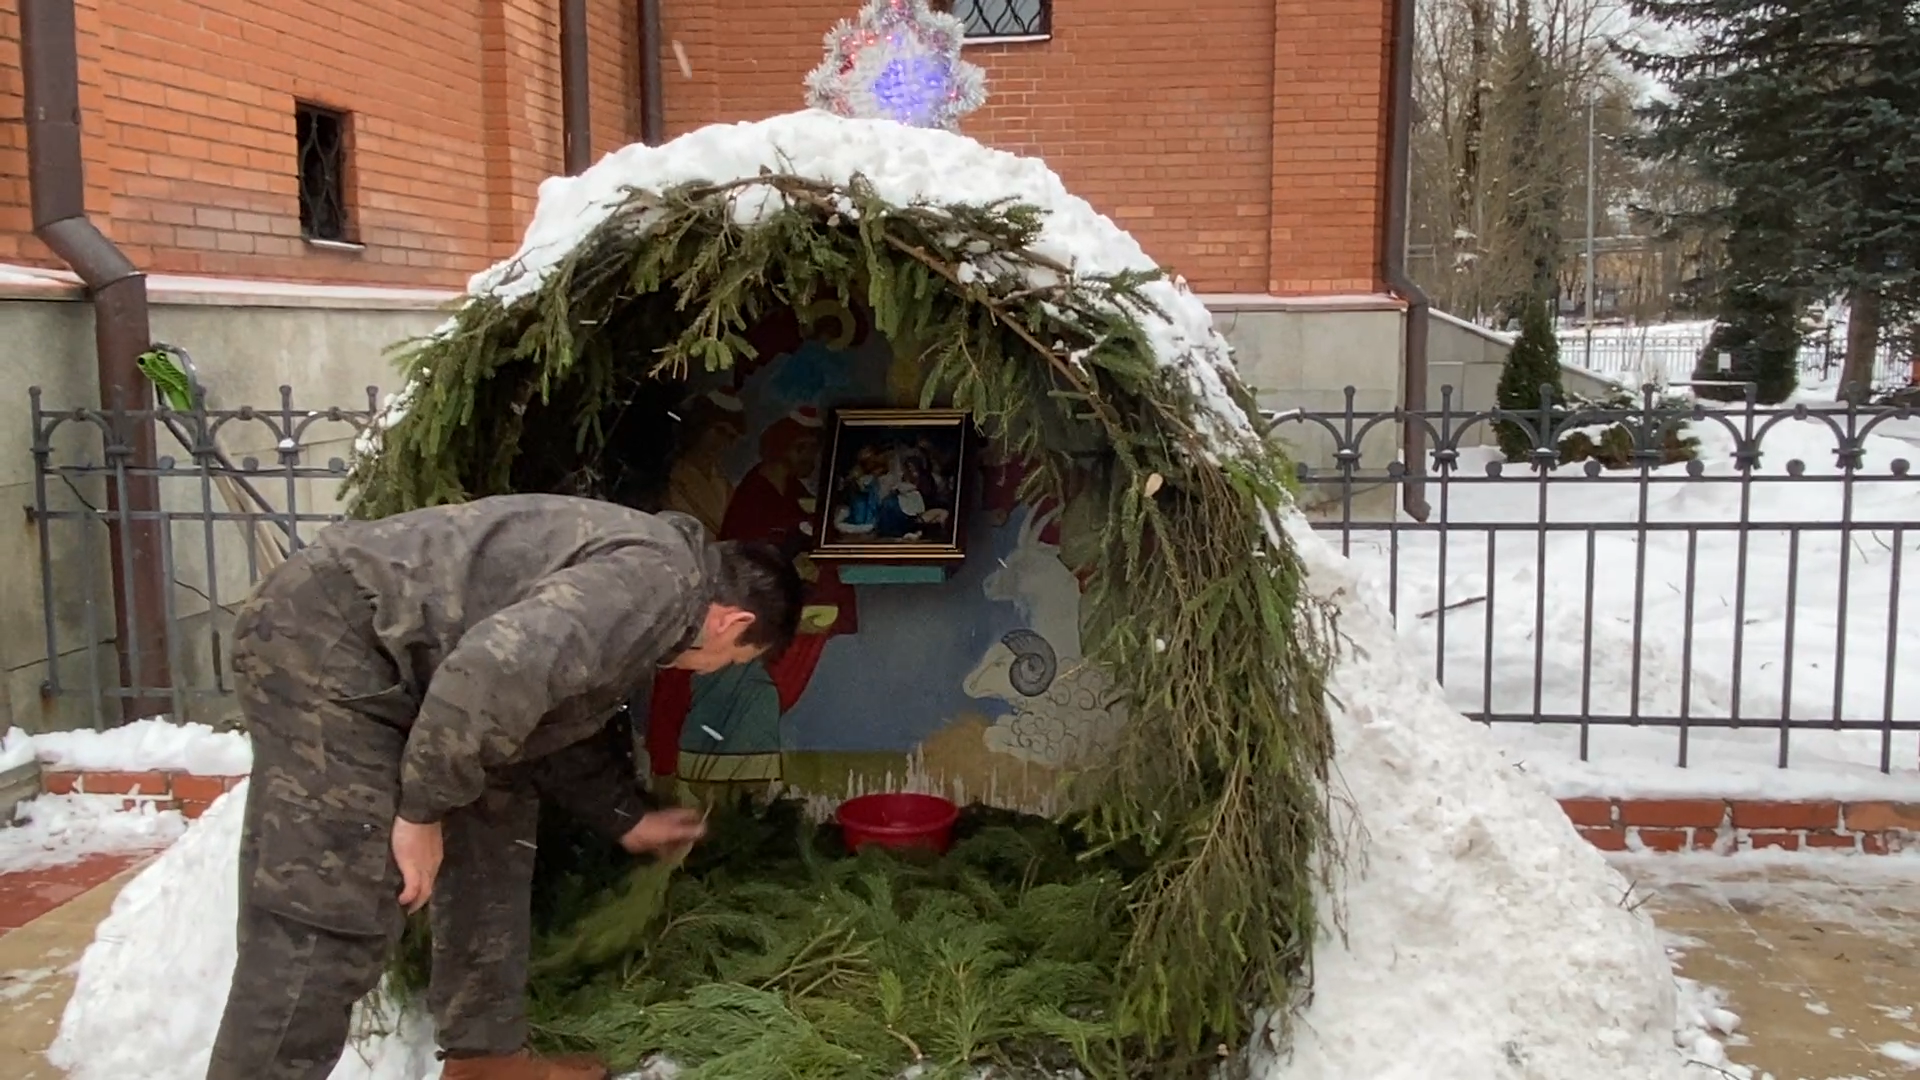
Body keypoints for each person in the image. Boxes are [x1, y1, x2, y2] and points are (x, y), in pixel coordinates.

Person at [206, 493, 802, 1080]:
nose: (717, 668)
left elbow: (548, 717)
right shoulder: (657, 585)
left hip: (399, 659)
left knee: (497, 822)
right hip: (334, 640)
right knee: (333, 899)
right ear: (734, 621)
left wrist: (626, 815)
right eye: (735, 659)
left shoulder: (660, 582)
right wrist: (421, 812)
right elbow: (493, 670)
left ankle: (484, 1057)